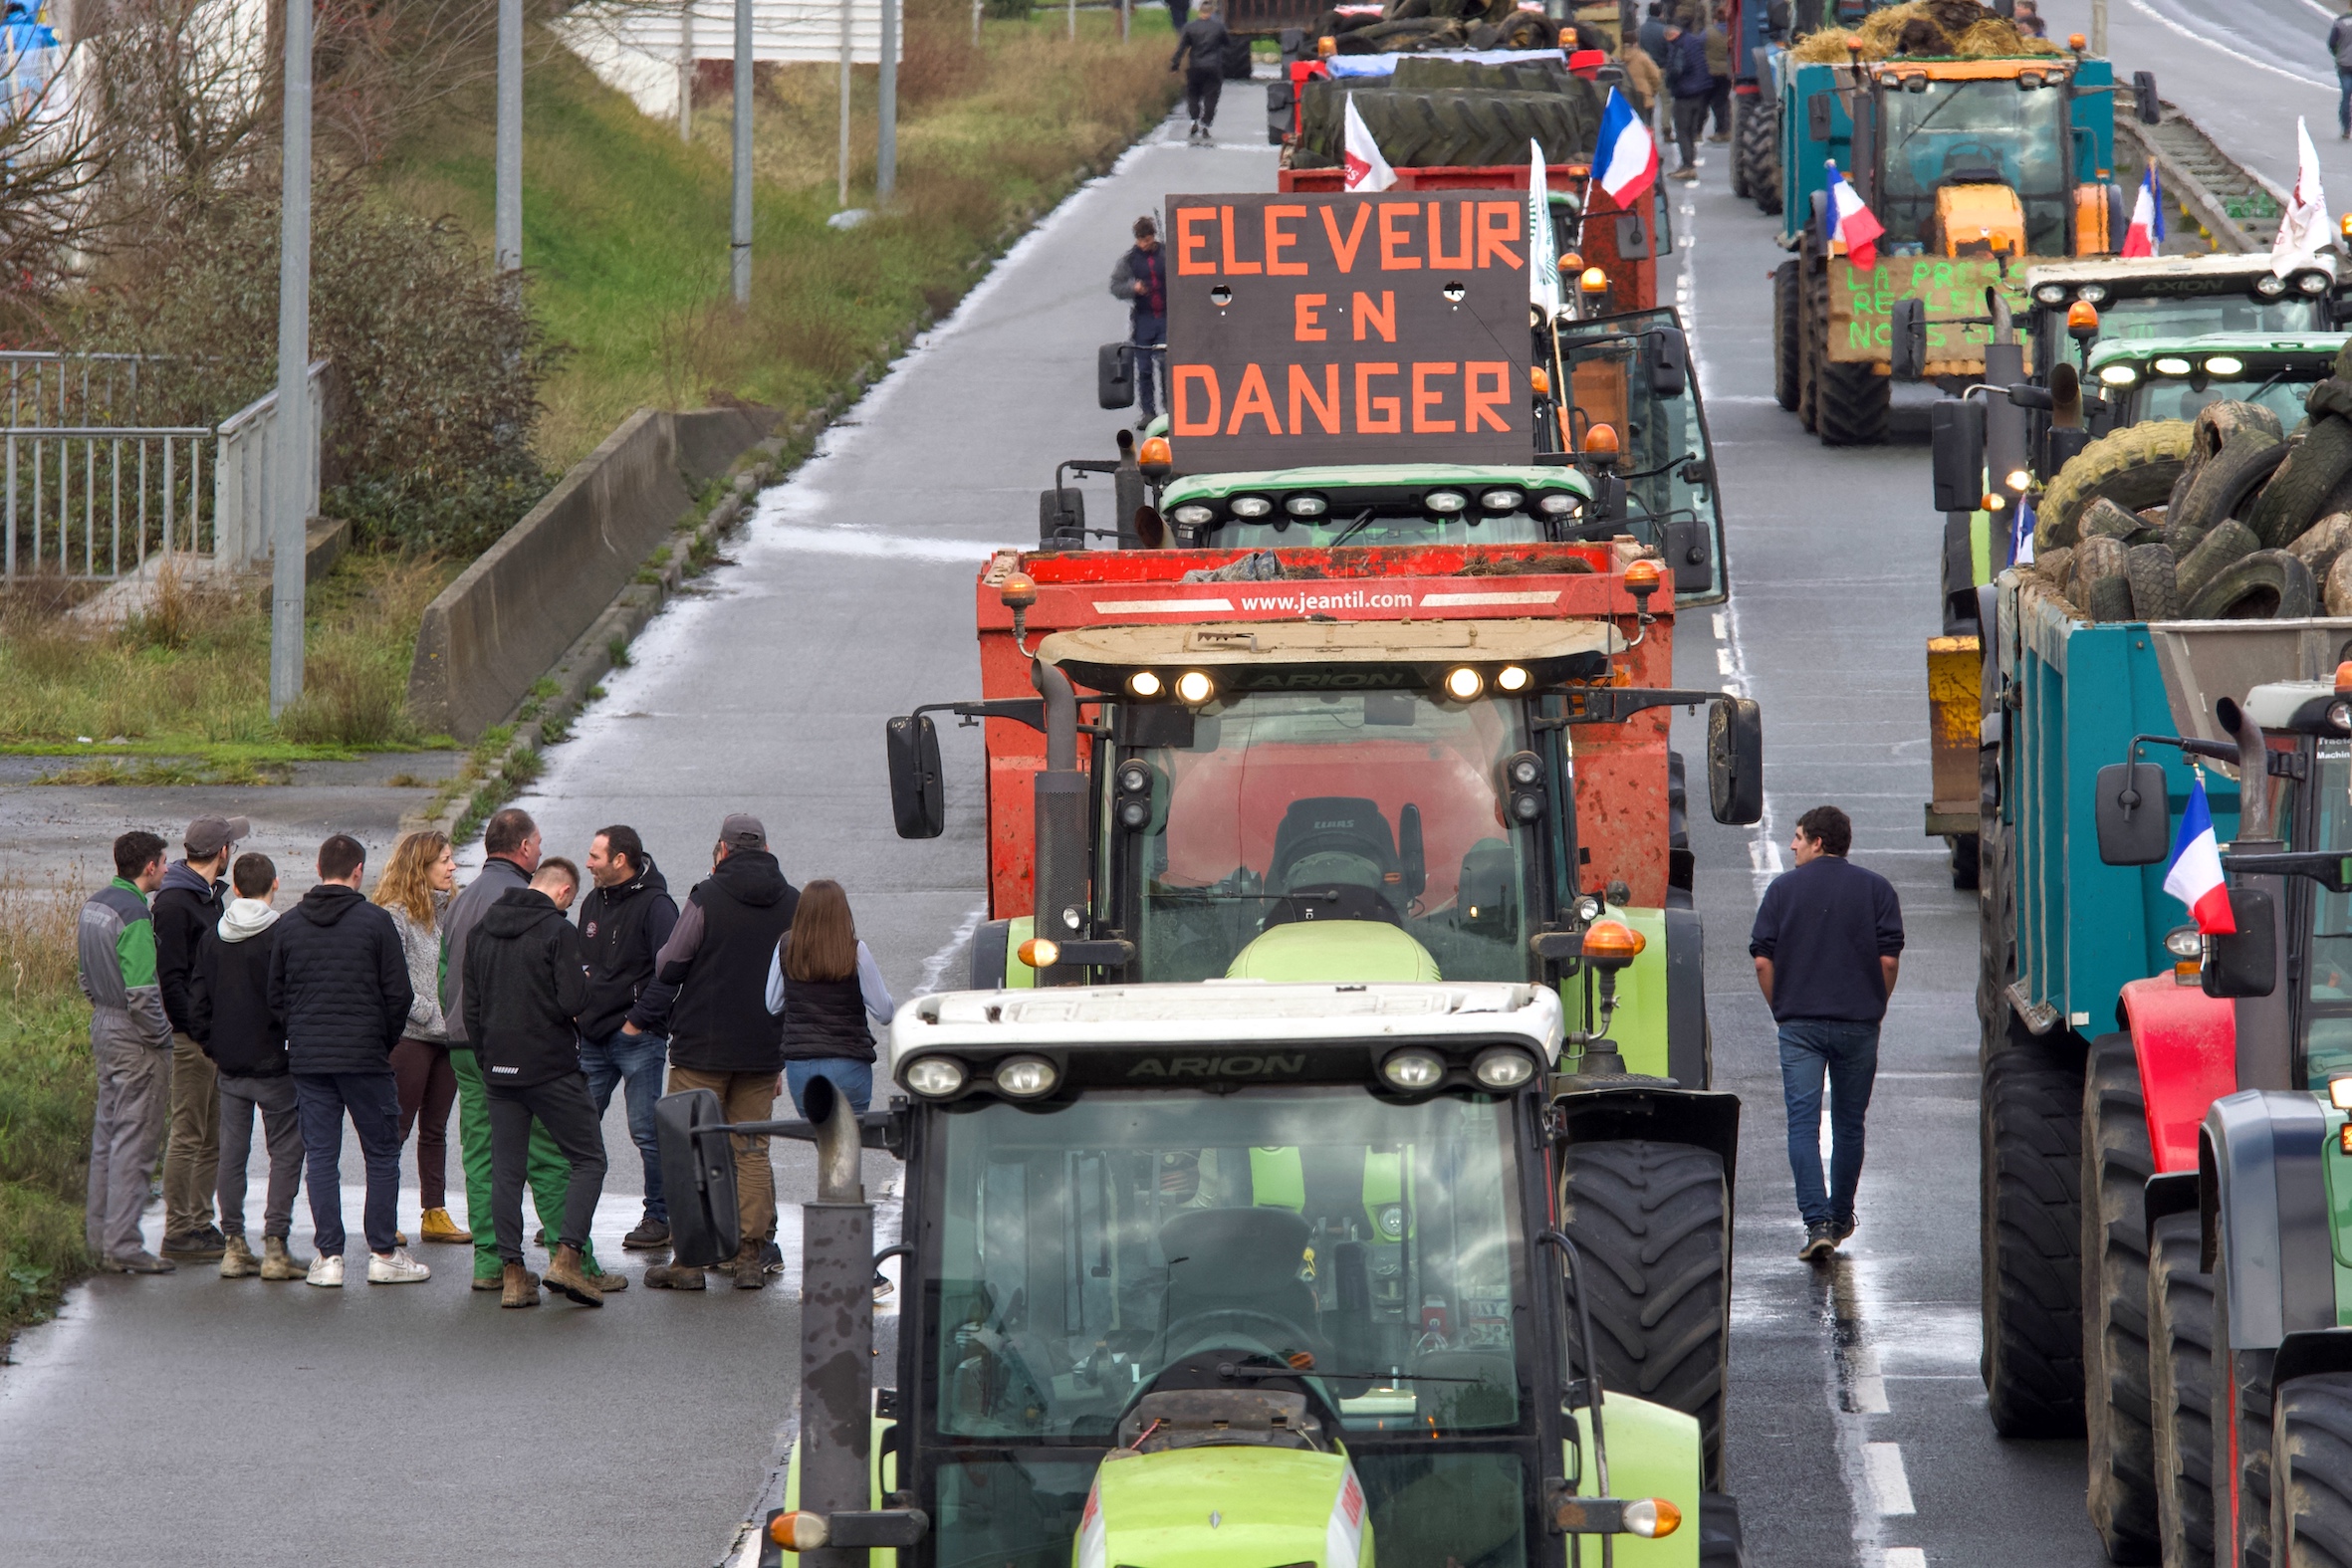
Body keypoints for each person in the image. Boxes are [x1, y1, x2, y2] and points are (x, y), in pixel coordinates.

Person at [440, 808, 618, 1294]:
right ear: (561, 891)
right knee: (577, 1158)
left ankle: (506, 1270)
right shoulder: (555, 929)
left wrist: (485, 1051)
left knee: (498, 1165)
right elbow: (572, 1002)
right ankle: (570, 1257)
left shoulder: (472, 919)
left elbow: (460, 994)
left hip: (487, 1061)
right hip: (547, 1065)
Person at [644, 813, 800, 1291]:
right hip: (762, 1048)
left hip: (701, 1048)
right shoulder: (793, 901)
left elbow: (671, 960)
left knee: (688, 1147)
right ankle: (749, 1256)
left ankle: (689, 1263)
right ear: (767, 847)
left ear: (724, 850)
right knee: (751, 1149)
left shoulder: (706, 895)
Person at [270, 834, 429, 1287]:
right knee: (380, 1153)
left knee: (321, 1156)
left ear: (320, 868)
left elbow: (274, 996)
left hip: (310, 1060)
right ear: (358, 870)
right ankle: (382, 1252)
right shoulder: (376, 922)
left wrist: (299, 1035)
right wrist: (381, 1041)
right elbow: (400, 994)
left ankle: (329, 1258)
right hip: (366, 1058)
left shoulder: (289, 925)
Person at [1750, 805, 1905, 1262]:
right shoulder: (1877, 889)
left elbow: (1763, 960)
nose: (1792, 845)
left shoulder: (1782, 891)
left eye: (1798, 837)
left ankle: (1815, 1221)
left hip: (1799, 1026)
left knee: (1803, 1123)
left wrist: (1782, 1009)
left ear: (1818, 842)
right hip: (1859, 1023)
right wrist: (1875, 1006)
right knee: (1849, 1123)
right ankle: (1840, 1219)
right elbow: (1889, 961)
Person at [190, 851, 309, 1282]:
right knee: (286, 1153)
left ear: (235, 888)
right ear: (274, 884)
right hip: (277, 1064)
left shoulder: (212, 937)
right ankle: (275, 1245)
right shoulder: (283, 935)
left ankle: (233, 1244)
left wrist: (213, 1046)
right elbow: (292, 999)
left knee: (232, 1155)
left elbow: (197, 1003)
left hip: (231, 1065)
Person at [579, 825, 679, 1251]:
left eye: (596, 856)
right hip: (591, 1037)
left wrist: (637, 1021)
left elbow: (671, 972)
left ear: (620, 860)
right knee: (577, 1127)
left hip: (637, 1037)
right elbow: (579, 962)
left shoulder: (657, 906)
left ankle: (659, 1217)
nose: (588, 863)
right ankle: (571, 1221)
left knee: (646, 1132)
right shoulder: (592, 901)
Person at [80, 830, 176, 1274]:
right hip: (134, 1033)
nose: (165, 867)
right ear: (149, 866)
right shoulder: (136, 914)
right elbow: (142, 992)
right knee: (135, 1143)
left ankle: (98, 1238)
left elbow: (84, 977)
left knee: (107, 1136)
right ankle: (124, 1243)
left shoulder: (96, 904)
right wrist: (161, 1038)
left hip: (103, 1019)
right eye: (162, 861)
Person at [152, 813, 247, 1263]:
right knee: (189, 1132)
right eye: (234, 845)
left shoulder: (205, 896)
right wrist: (198, 1032)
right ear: (223, 852)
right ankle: (177, 1229)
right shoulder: (175, 903)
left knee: (213, 1136)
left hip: (213, 1036)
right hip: (193, 1040)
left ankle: (198, 1220)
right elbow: (171, 980)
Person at [374, 829, 468, 1246]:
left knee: (436, 1129)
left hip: (449, 1038)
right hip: (411, 1037)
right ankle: (384, 1215)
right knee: (396, 1128)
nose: (452, 867)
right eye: (444, 860)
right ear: (420, 866)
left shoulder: (455, 911)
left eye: (451, 859)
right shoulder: (394, 915)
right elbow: (389, 981)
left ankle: (435, 1212)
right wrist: (433, 1015)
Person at [766, 879, 896, 1122]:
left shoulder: (786, 947)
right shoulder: (855, 950)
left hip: (800, 1064)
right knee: (848, 1145)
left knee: (822, 1142)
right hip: (848, 1062)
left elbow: (772, 1004)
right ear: (841, 912)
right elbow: (884, 1013)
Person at [1108, 216, 1169, 427]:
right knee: (1144, 368)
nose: (1146, 243)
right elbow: (1115, 286)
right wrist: (1132, 288)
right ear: (1137, 239)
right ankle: (1148, 412)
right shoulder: (1129, 261)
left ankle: (1170, 410)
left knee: (1165, 364)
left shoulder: (1167, 254)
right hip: (1143, 319)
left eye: (1149, 238)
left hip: (1166, 317)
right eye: (1142, 240)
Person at [1170, 1, 1231, 145]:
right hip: (1213, 67)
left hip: (1195, 66)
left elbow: (1182, 47)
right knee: (1211, 96)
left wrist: (1175, 64)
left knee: (1193, 94)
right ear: (1211, 12)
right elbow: (1227, 43)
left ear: (1199, 11)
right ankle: (1206, 123)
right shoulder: (1218, 27)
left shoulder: (1190, 27)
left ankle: (1194, 119)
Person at [1664, 21, 1713, 181]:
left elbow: (1677, 69)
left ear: (1672, 35)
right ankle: (1690, 162)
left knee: (1682, 131)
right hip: (1700, 91)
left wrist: (1669, 82)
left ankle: (1687, 166)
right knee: (1692, 130)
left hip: (1685, 93)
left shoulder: (1679, 46)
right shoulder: (1693, 41)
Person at [1703, 3, 1733, 140]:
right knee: (1723, 101)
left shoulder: (1708, 32)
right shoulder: (1732, 32)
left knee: (1710, 102)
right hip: (1726, 72)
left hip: (1711, 72)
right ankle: (1725, 129)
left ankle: (1715, 131)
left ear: (1715, 19)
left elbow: (1698, 46)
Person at [1617, 34, 1663, 118]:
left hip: (1624, 100)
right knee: (1646, 128)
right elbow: (1656, 76)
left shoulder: (1618, 58)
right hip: (1644, 99)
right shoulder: (1642, 57)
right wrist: (1652, 91)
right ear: (1635, 43)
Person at [2332, 4, 2352, 139]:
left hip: (2344, 64)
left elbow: (2332, 42)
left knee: (2346, 96)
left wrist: (2338, 55)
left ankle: (2346, 127)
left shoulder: (2340, 21)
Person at [1637, 0, 1668, 68]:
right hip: (1661, 67)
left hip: (1645, 68)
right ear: (1661, 14)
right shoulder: (1665, 30)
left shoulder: (1640, 30)